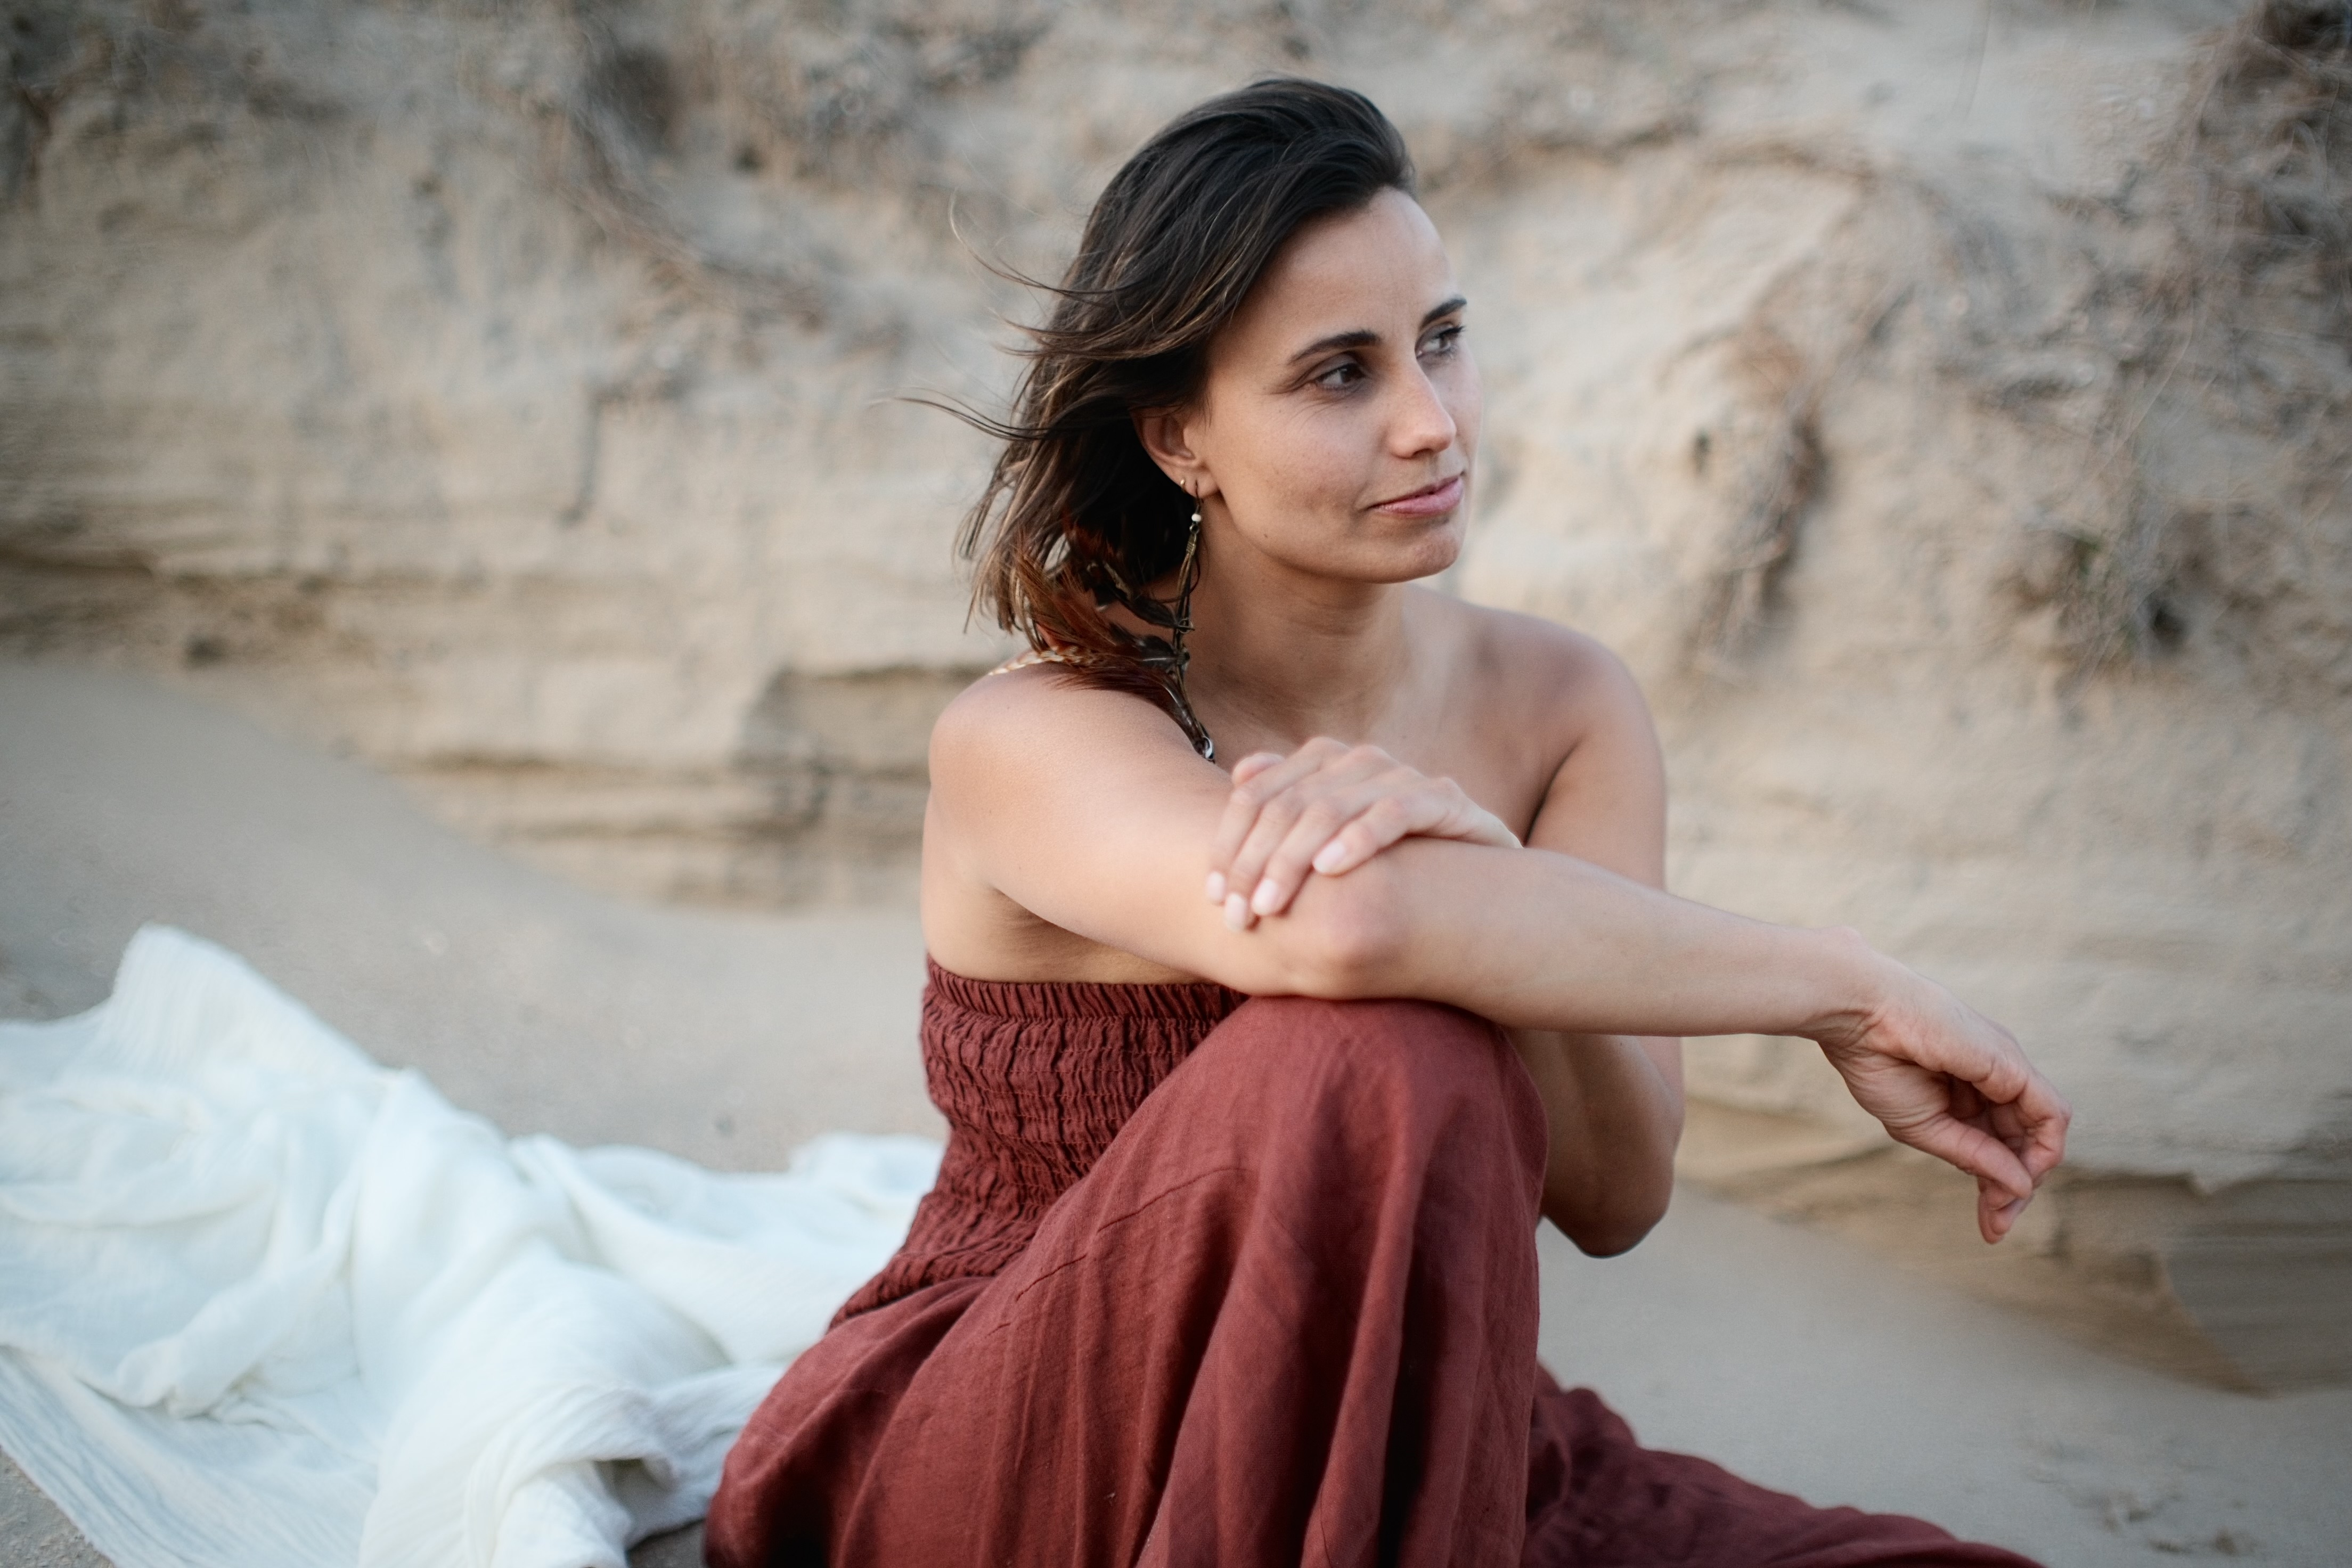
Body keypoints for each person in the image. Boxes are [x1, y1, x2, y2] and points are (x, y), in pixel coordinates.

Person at [707, 78, 2069, 1567]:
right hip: (1024, 1425)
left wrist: (1487, 877)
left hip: (1402, 1408)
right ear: (1182, 440)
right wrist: (1844, 988)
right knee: (1382, 1045)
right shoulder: (1039, 734)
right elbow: (1350, 934)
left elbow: (1616, 1193)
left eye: (1443, 340)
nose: (1432, 424)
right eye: (1339, 377)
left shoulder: (1564, 705)